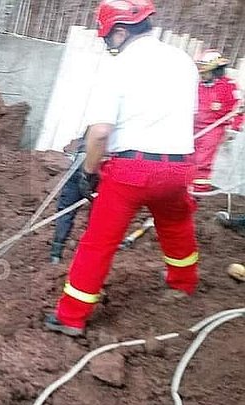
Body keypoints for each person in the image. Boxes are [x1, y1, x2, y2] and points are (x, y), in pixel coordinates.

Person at [45, 0, 200, 337]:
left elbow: (100, 132)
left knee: (98, 241)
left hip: (131, 170)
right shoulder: (184, 62)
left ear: (118, 31)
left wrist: (89, 171)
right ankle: (184, 282)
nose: (108, 46)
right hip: (177, 168)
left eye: (106, 38)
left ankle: (71, 317)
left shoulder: (118, 68)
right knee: (176, 224)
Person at [193, 49, 243, 191]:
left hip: (214, 129)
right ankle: (182, 186)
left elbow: (238, 109)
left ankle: (198, 190)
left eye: (205, 72)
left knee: (202, 160)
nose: (202, 75)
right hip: (194, 126)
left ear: (216, 71)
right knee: (186, 157)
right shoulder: (197, 85)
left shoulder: (229, 86)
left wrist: (234, 128)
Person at [50, 134, 87, 264]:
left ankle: (55, 254)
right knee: (99, 216)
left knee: (65, 211)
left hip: (82, 161)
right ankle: (86, 258)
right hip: (102, 165)